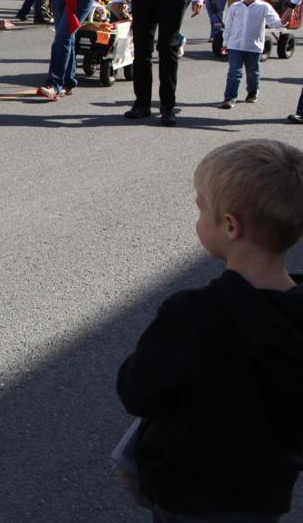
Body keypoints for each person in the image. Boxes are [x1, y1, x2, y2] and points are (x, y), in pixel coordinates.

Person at [116, 139, 303, 523]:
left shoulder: (192, 314)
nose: (198, 219)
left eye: (202, 209)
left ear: (230, 226)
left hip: (189, 495)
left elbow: (138, 392)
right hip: (265, 495)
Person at [217, 0, 282, 109]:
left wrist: (283, 21)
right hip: (235, 45)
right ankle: (230, 97)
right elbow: (228, 26)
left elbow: (275, 22)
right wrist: (225, 43)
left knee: (253, 73)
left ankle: (252, 91)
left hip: (254, 46)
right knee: (234, 72)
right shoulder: (235, 6)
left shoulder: (264, 7)